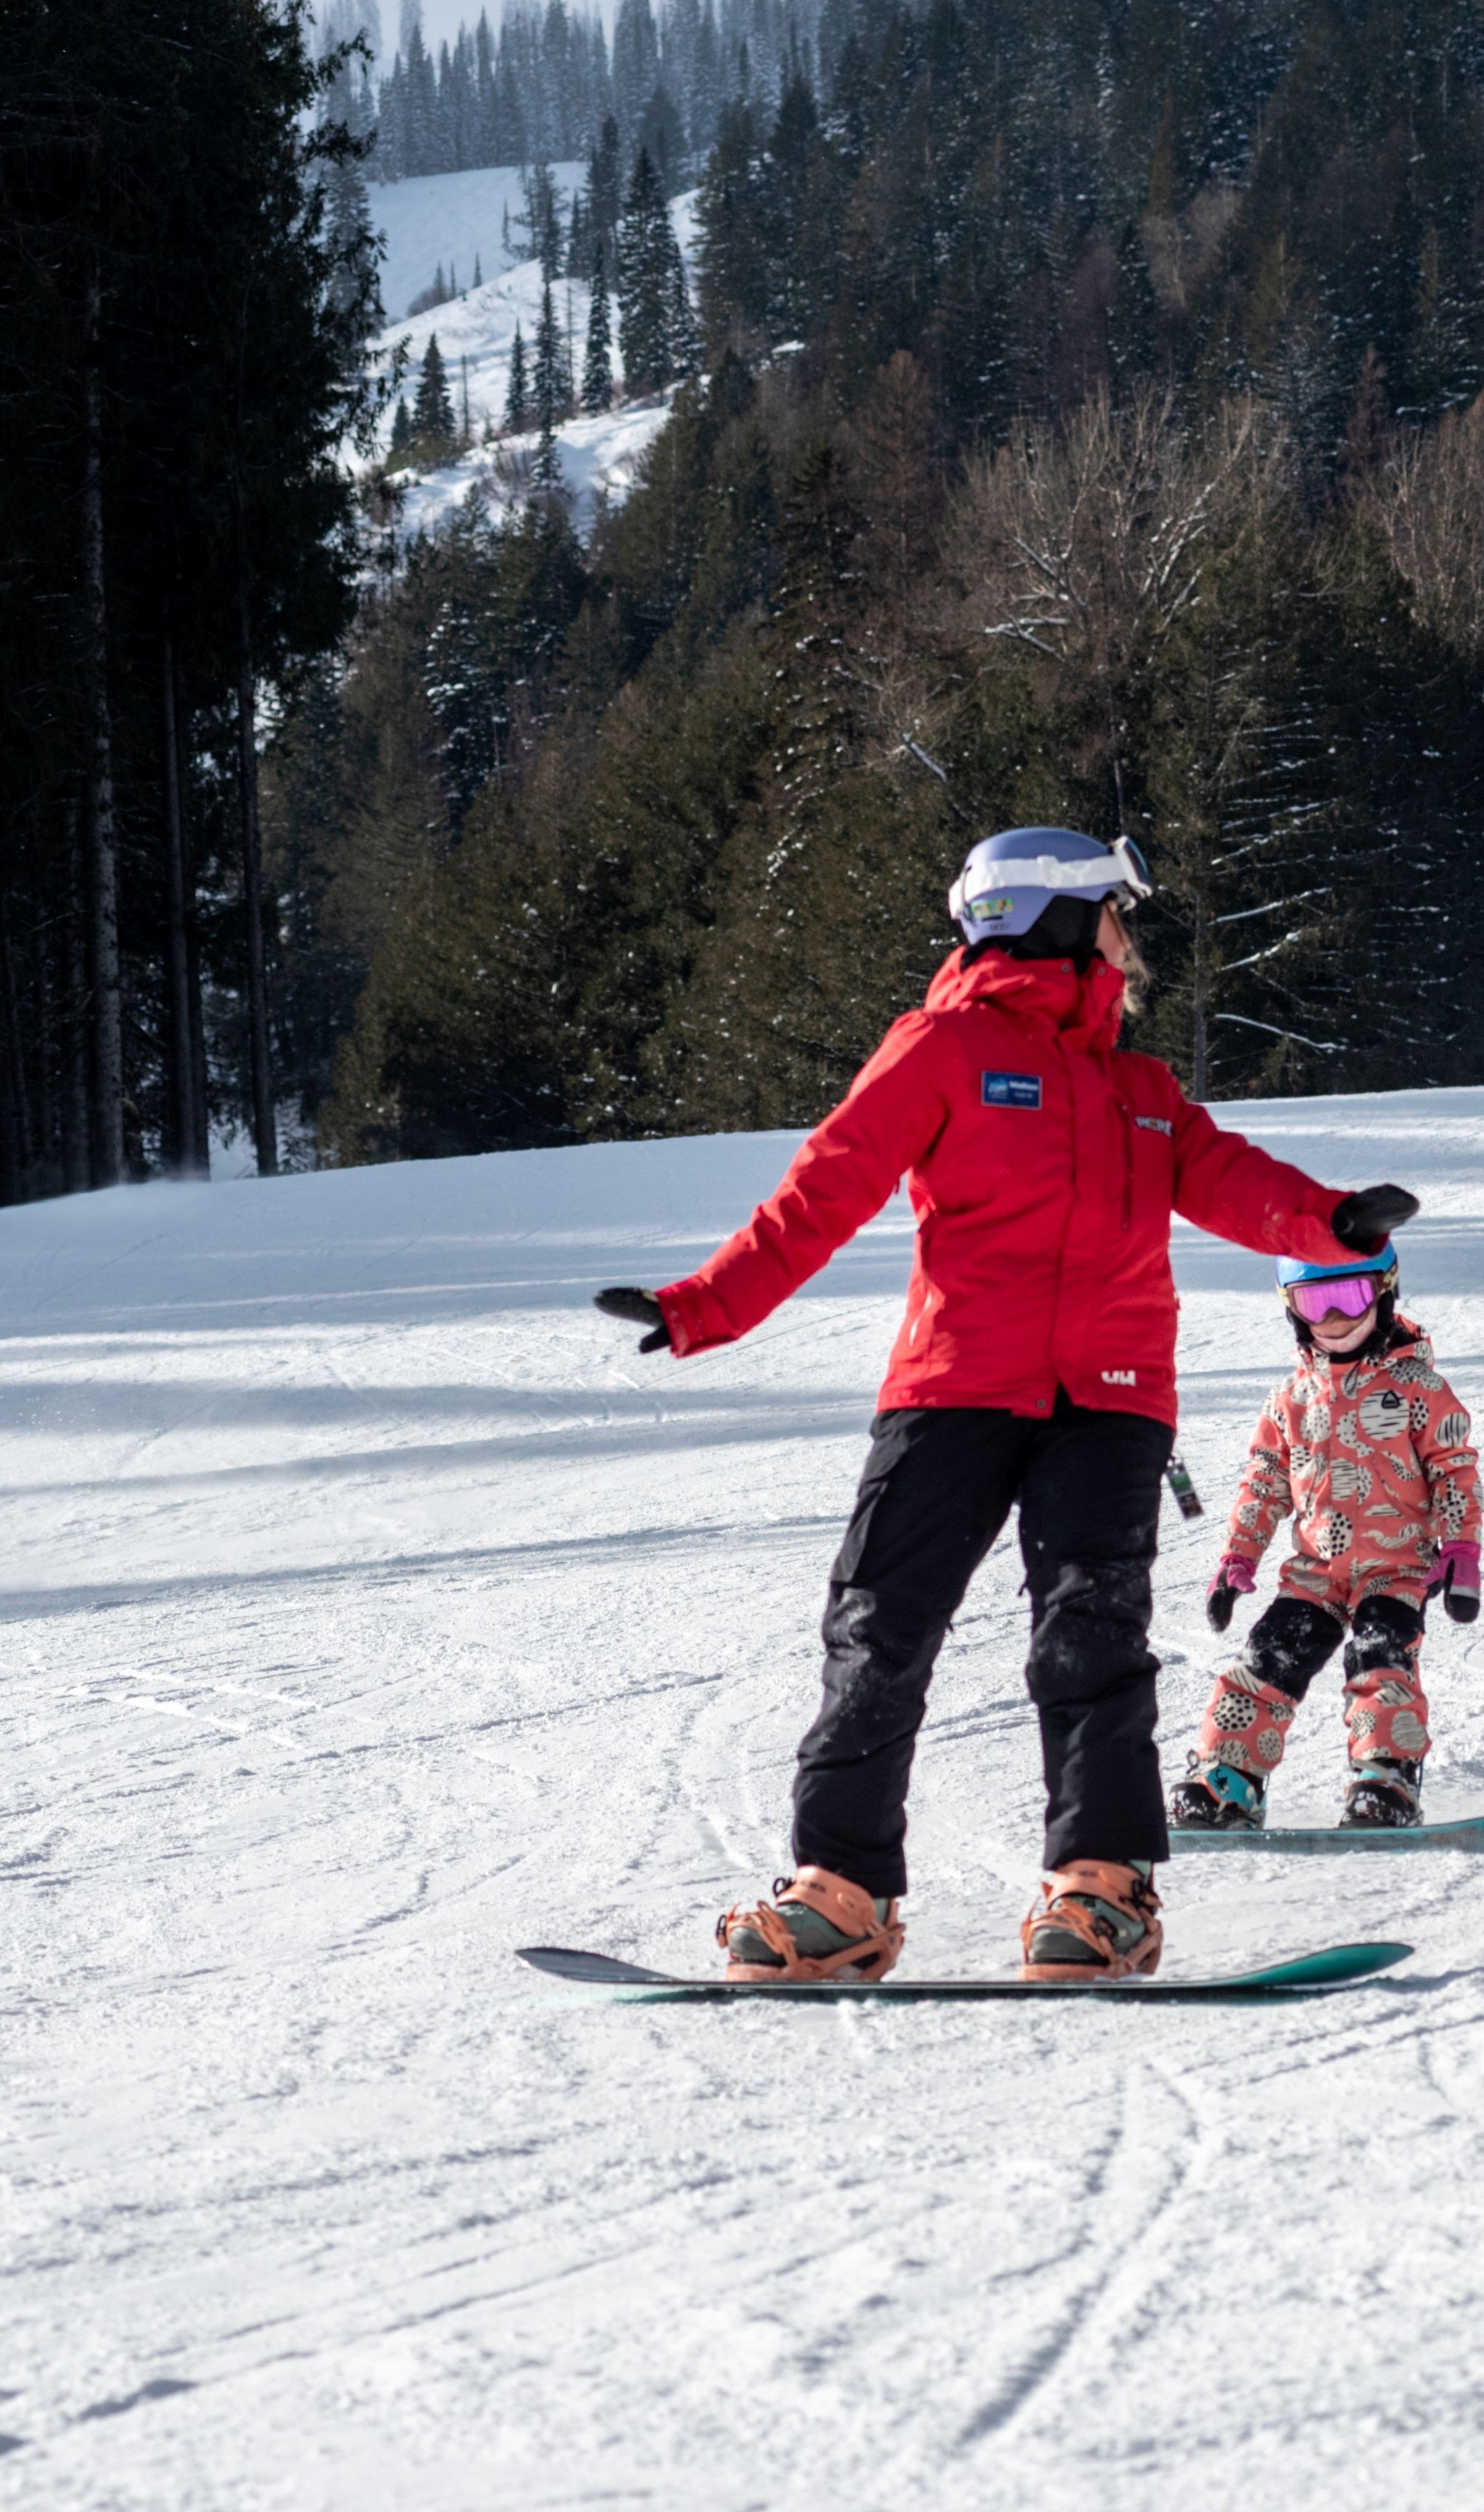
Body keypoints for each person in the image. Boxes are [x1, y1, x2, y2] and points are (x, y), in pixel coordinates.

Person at [591, 826, 1419, 1983]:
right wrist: (703, 1306)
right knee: (880, 1628)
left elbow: (1225, 1176)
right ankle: (841, 1890)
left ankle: (1102, 1892)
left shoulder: (1141, 1087)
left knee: (1091, 1639)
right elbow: (825, 1187)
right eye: (1118, 917)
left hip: (1114, 1400)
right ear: (1063, 920)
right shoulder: (941, 1049)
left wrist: (1331, 1223)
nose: (1131, 944)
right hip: (954, 1386)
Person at [1173, 1243, 1484, 1832]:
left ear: (1384, 1294)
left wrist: (1461, 1549)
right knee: (1266, 1662)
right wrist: (1237, 1557)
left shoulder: (1420, 1389)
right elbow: (1265, 1483)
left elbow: (1454, 1471)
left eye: (1350, 1298)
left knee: (1380, 1663)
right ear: (1292, 1309)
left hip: (1396, 1571)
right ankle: (1226, 1779)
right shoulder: (1291, 1398)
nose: (1335, 1320)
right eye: (1317, 1303)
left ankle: (1384, 1780)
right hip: (1315, 1573)